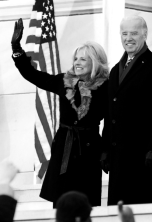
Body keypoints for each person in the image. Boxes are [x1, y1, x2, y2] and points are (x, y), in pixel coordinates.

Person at [11, 19, 109, 207]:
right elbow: (33, 75)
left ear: (95, 62)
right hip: (64, 146)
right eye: (76, 58)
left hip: (89, 151)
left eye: (83, 58)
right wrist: (17, 49)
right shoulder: (65, 81)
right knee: (61, 203)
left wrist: (106, 151)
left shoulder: (106, 86)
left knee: (85, 203)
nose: (77, 62)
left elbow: (113, 120)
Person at [101, 15, 152, 205]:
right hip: (119, 159)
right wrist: (105, 149)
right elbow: (111, 113)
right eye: (124, 33)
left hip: (144, 157)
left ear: (145, 34)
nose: (129, 38)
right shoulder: (115, 71)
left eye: (134, 33)